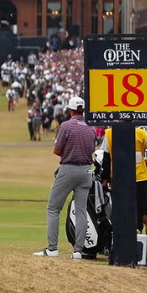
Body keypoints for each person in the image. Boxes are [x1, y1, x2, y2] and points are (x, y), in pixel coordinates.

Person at [34, 96, 93, 259]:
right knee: (81, 211)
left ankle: (52, 249)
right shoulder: (91, 127)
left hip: (69, 169)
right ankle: (78, 251)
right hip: (87, 171)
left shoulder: (66, 126)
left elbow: (57, 150)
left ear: (71, 110)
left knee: (53, 208)